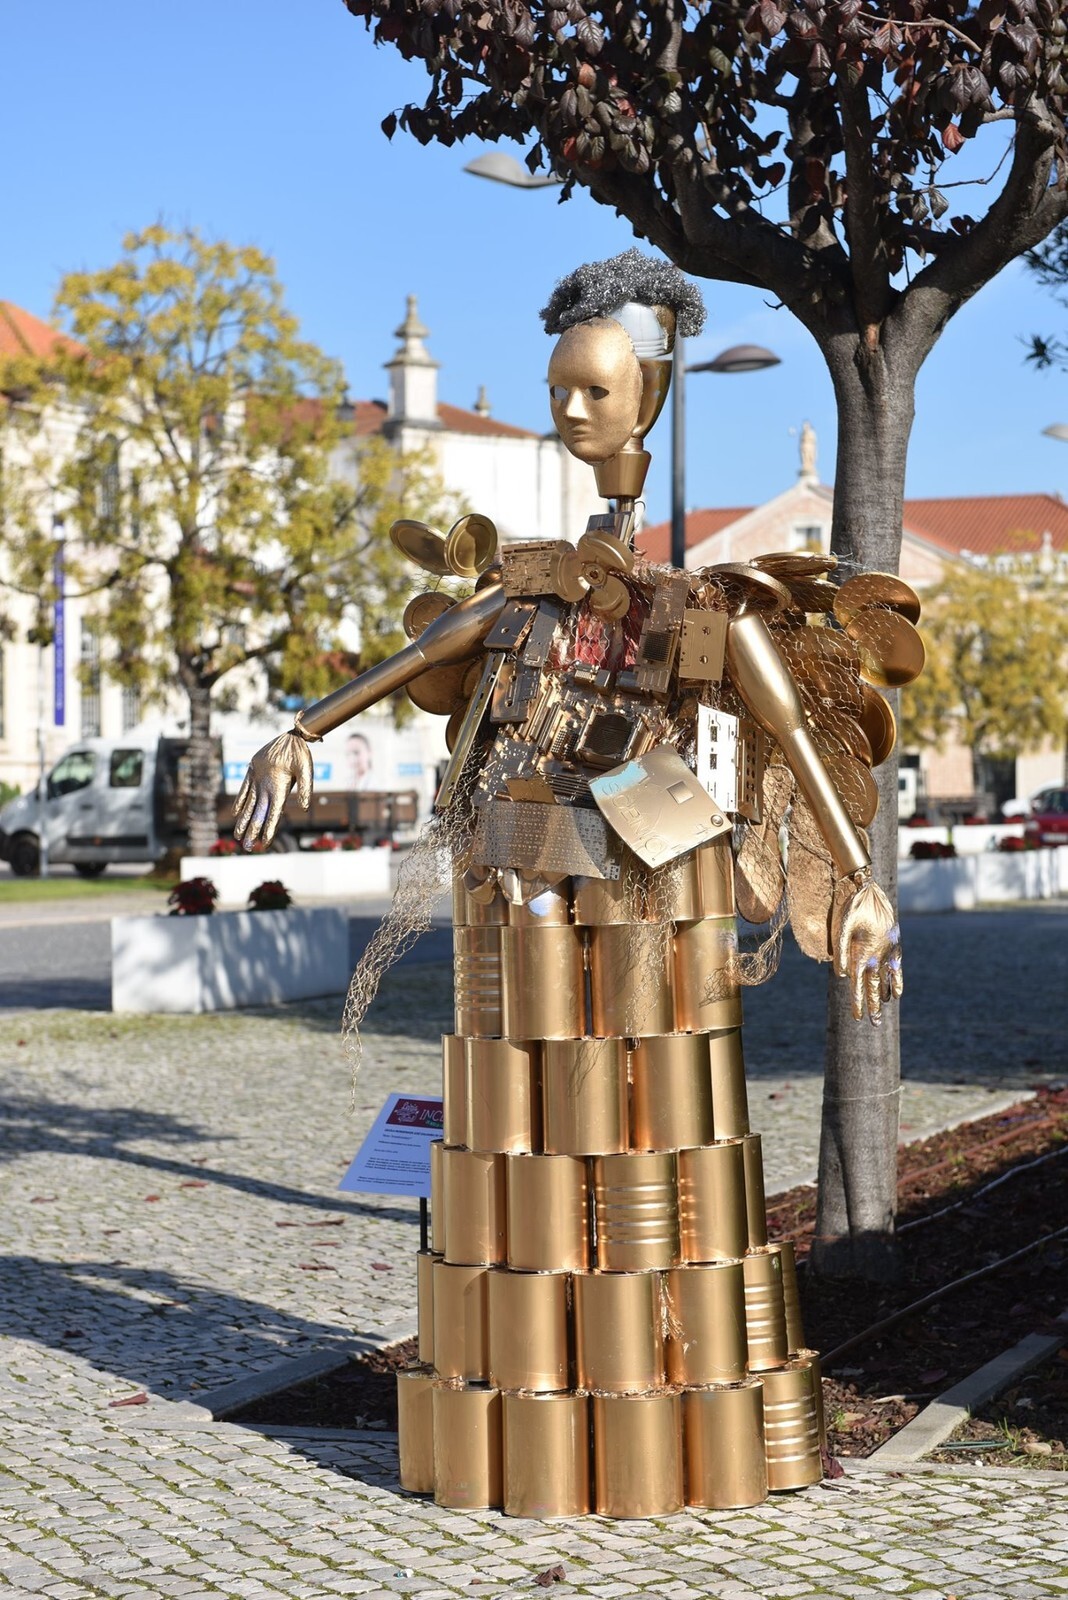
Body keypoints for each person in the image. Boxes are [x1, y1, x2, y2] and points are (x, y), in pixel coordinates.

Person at [232, 248, 919, 1520]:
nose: (569, 410)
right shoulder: (537, 584)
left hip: (652, 868)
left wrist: (862, 878)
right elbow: (433, 649)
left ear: (646, 397)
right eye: (557, 388)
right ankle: (542, 1355)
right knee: (531, 1088)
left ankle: (660, 1371)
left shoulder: (697, 604)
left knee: (654, 1105)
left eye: (594, 390)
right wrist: (302, 728)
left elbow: (779, 710)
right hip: (535, 858)